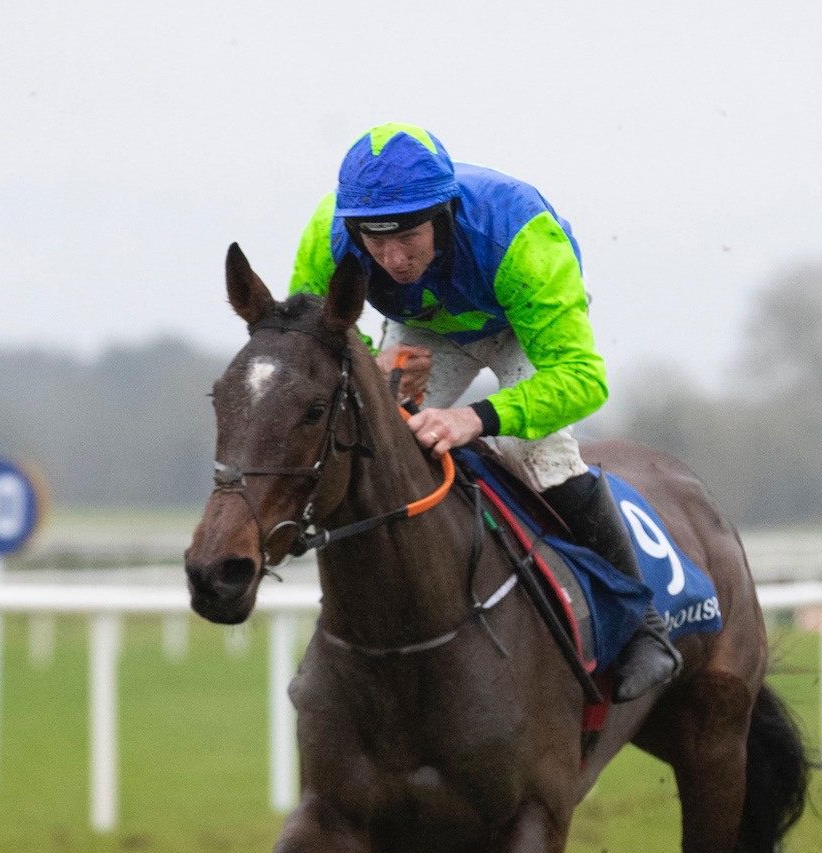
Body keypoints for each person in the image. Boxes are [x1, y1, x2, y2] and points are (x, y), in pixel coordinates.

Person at [286, 122, 679, 702]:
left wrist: (476, 419)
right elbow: (312, 341)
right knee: (377, 440)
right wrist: (372, 362)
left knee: (536, 453)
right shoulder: (329, 234)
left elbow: (583, 379)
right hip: (429, 329)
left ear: (443, 215)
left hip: (523, 326)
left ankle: (643, 626)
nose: (392, 258)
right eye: (374, 241)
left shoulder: (522, 238)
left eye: (408, 238)